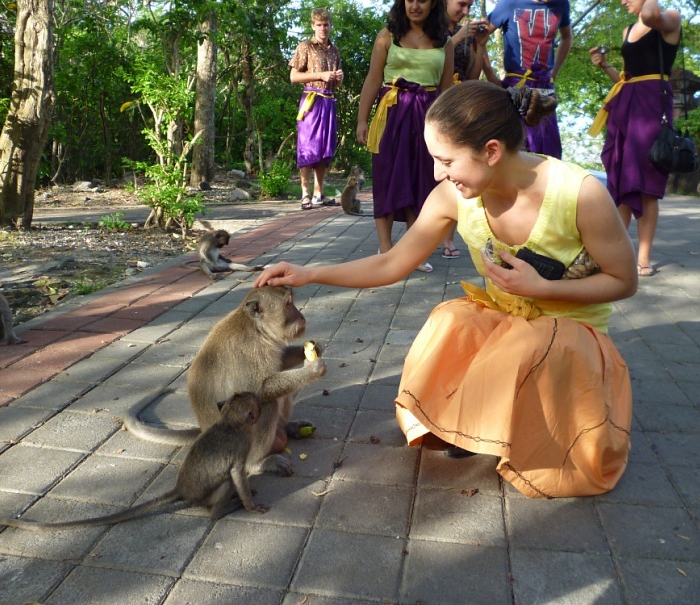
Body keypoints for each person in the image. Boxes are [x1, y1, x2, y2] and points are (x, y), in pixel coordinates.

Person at [256, 80, 638, 499]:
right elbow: (391, 263)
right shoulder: (452, 196)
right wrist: (309, 273)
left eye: (446, 161)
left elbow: (624, 281)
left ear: (491, 151)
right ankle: (470, 424)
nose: (438, 173)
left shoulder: (579, 193)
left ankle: (519, 426)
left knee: (529, 347)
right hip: (508, 319)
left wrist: (542, 287)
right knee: (450, 320)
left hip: (569, 330)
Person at [356, 0, 454, 273]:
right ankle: (385, 250)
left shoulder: (444, 41)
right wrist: (362, 120)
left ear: (433, 3)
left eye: (422, 0)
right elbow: (373, 79)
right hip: (391, 113)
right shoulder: (387, 35)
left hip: (428, 115)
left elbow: (447, 88)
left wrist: (450, 128)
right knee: (387, 176)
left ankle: (413, 253)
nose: (415, 5)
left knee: (421, 179)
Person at [588, 0, 681, 277]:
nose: (622, 1)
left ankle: (643, 257)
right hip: (625, 105)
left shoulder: (670, 18)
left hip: (652, 105)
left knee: (647, 185)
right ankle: (615, 254)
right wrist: (605, 65)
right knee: (621, 182)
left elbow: (651, 14)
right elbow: (625, 78)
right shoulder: (627, 30)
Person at [486, 0, 572, 159]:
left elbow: (566, 37)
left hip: (545, 87)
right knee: (516, 146)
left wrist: (554, 73)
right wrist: (490, 74)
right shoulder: (509, 4)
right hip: (517, 85)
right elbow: (479, 36)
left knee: (549, 149)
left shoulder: (561, 4)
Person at [441, 0, 492, 260]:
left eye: (470, 6)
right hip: (432, 101)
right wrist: (458, 36)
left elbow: (473, 77)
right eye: (461, 4)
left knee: (455, 170)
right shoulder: (431, 28)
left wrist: (480, 45)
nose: (466, 12)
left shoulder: (468, 36)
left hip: (459, 105)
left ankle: (448, 237)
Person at [290, 8, 343, 210]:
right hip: (311, 101)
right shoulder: (305, 46)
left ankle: (318, 194)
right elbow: (294, 76)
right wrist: (320, 75)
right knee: (307, 145)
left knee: (324, 147)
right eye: (319, 25)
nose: (323, 28)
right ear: (313, 25)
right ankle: (305, 193)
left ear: (331, 26)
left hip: (328, 101)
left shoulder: (335, 50)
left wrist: (338, 78)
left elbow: (335, 82)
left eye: (326, 25)